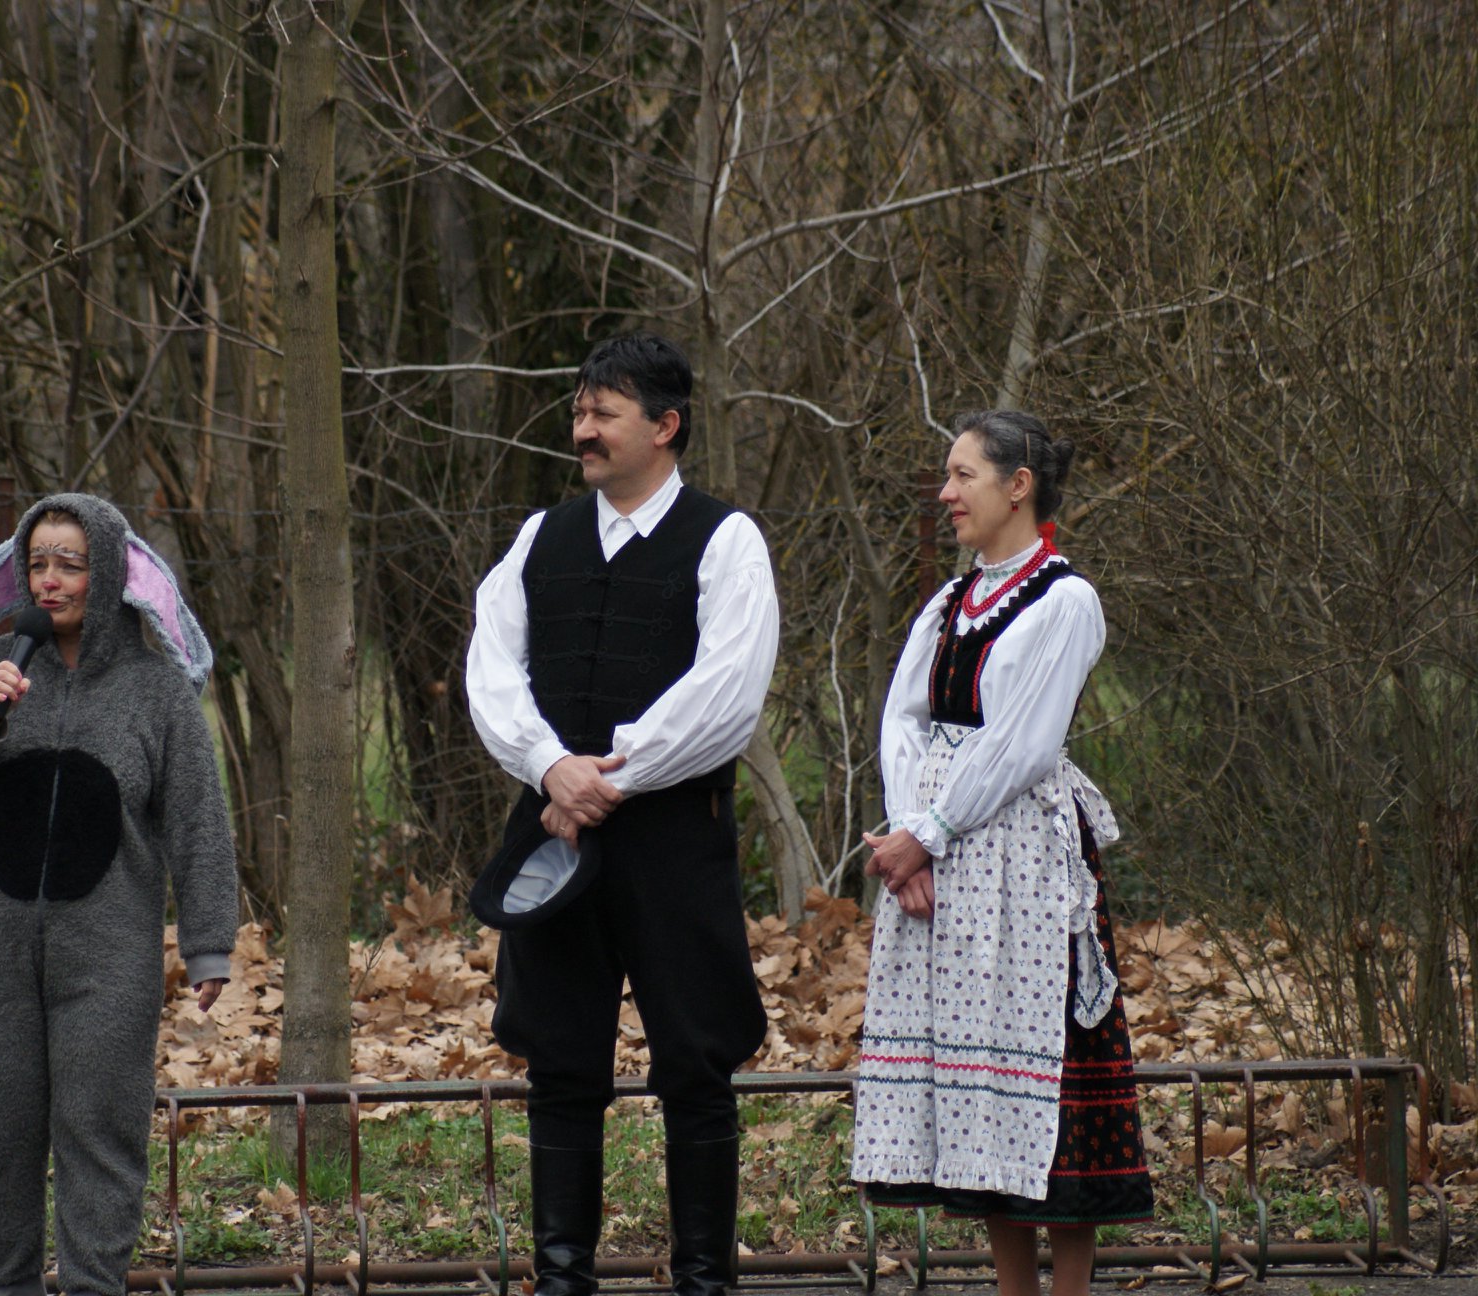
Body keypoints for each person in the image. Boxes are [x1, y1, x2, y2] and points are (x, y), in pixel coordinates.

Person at [466, 332, 779, 1296]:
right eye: (579, 411)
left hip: (675, 841)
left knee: (696, 1064)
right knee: (560, 1065)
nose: (582, 430)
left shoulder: (726, 541)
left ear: (665, 425)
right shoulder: (540, 537)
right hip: (554, 835)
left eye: (603, 412)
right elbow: (492, 668)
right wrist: (550, 767)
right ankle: (562, 1281)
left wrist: (611, 778)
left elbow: (728, 691)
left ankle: (703, 1284)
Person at [850, 412, 1152, 1296]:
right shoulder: (949, 602)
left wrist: (927, 836)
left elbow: (1021, 744)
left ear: (1018, 486)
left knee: (1047, 1084)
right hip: (941, 860)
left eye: (963, 475)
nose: (946, 493)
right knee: (974, 1086)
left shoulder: (1065, 601)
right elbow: (903, 717)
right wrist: (909, 832)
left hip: (1021, 864)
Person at [0, 493, 237, 1296]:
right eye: (37, 564)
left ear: (112, 574)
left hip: (109, 959)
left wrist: (209, 944)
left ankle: (96, 1283)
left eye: (70, 563)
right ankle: (14, 1284)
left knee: (100, 1129)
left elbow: (198, 817)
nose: (50, 581)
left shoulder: (157, 690)